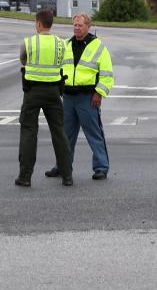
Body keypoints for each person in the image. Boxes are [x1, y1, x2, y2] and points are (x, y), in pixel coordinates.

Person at [45, 12, 114, 181]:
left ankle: (101, 167)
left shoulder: (98, 46)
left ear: (88, 26)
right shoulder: (66, 45)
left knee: (94, 134)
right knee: (65, 135)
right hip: (68, 97)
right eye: (74, 25)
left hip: (88, 97)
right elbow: (59, 69)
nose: (77, 28)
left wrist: (99, 93)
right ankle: (62, 166)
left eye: (80, 25)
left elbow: (106, 74)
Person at [15, 9, 73, 188]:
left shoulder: (29, 42)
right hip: (54, 92)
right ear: (51, 23)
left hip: (32, 91)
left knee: (29, 132)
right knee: (59, 132)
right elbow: (65, 63)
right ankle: (67, 176)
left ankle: (25, 176)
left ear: (39, 23)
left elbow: (23, 60)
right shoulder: (62, 43)